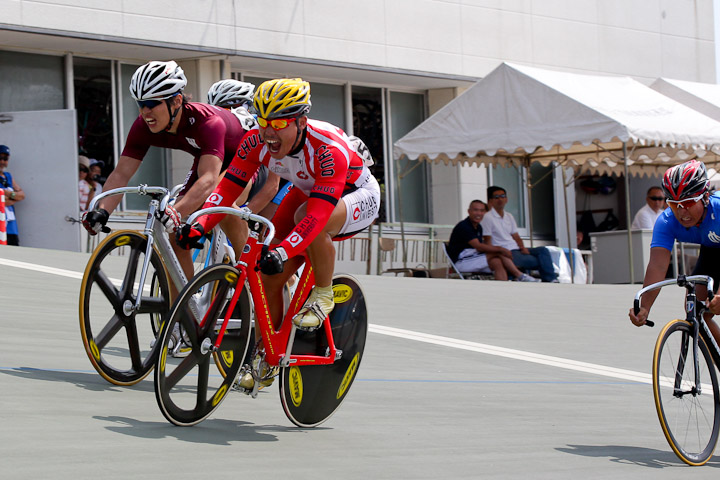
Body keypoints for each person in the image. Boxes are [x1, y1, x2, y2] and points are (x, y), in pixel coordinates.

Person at [176, 77, 381, 390]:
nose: (268, 132)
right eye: (263, 122)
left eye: (279, 122)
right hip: (308, 192)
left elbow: (317, 215)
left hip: (355, 194)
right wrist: (199, 224)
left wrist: (283, 251)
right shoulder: (256, 141)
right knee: (268, 278)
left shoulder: (327, 149)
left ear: (300, 121)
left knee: (303, 221)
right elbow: (227, 188)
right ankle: (267, 357)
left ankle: (324, 293)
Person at [81, 60, 255, 280]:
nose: (145, 112)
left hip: (245, 160)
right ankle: (184, 309)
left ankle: (251, 277)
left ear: (177, 101)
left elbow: (210, 179)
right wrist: (102, 210)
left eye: (152, 103)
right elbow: (121, 174)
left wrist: (177, 210)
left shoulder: (207, 122)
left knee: (221, 202)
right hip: (208, 158)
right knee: (176, 235)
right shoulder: (143, 126)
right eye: (140, 104)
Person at [630, 160, 720, 342]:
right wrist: (645, 306)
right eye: (674, 204)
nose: (681, 211)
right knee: (697, 312)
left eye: (687, 203)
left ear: (704, 197)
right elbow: (657, 266)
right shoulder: (666, 221)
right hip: (712, 251)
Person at [447, 199, 538, 281]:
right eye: (475, 210)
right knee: (498, 252)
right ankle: (519, 275)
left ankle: (502, 289)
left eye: (482, 210)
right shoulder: (464, 226)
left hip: (471, 258)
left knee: (497, 262)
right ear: (469, 211)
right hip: (461, 262)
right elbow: (478, 246)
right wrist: (501, 249)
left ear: (485, 212)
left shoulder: (478, 227)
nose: (479, 213)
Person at [481, 186, 558, 282]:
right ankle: (549, 279)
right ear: (491, 201)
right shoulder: (488, 217)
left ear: (506, 199)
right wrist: (493, 255)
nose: (500, 199)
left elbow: (516, 236)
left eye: (502, 196)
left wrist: (523, 247)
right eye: (496, 197)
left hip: (516, 249)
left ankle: (551, 279)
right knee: (539, 261)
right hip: (506, 252)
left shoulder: (509, 216)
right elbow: (487, 240)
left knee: (543, 250)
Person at [0, 145, 25, 245]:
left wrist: (6, 193)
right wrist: (14, 196)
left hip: (11, 228)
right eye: (0, 158)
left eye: (5, 159)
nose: (2, 161)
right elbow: (3, 202)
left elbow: (22, 195)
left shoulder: (8, 176)